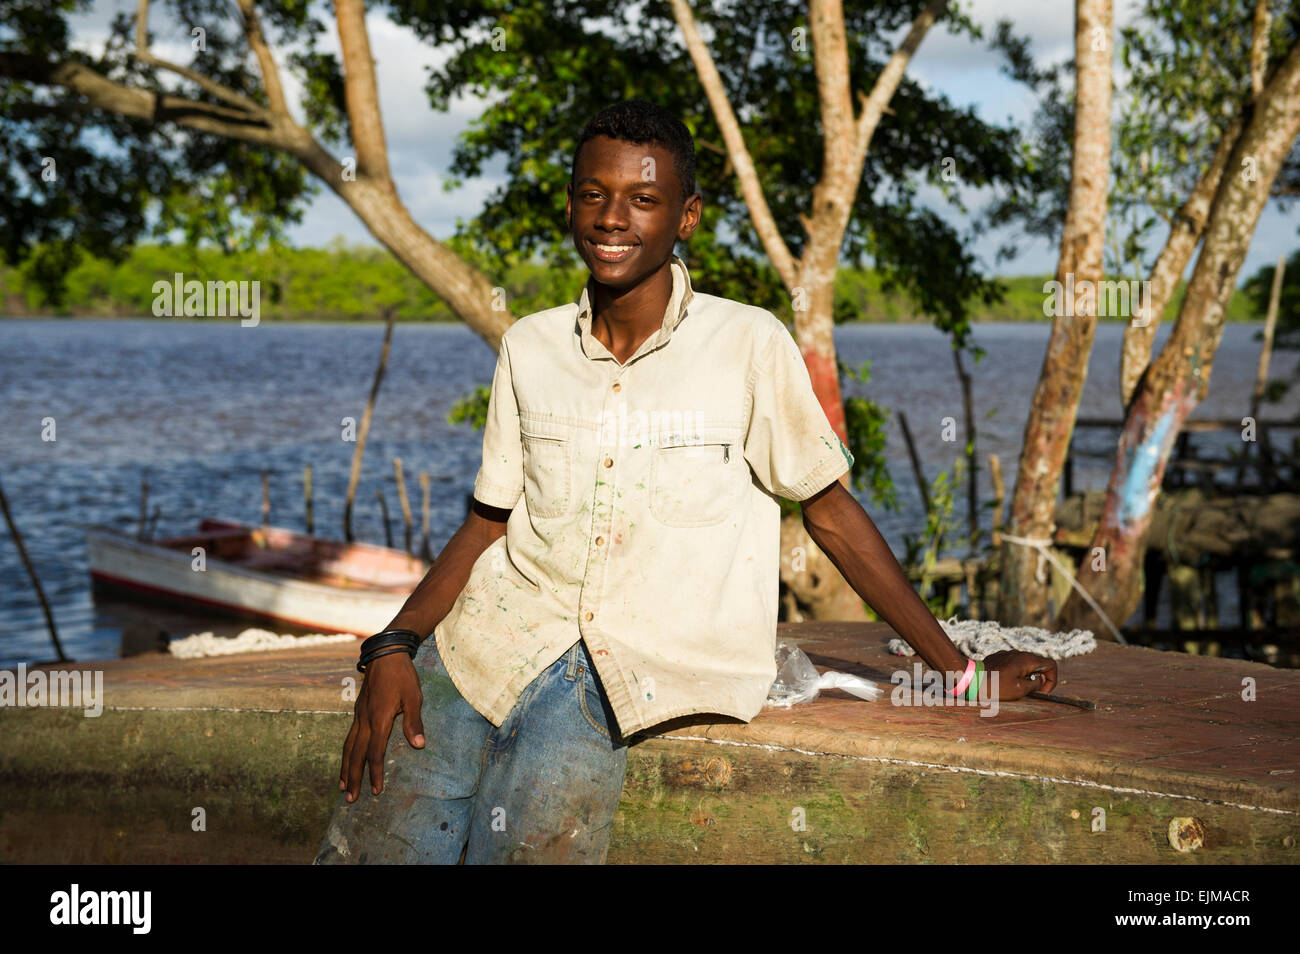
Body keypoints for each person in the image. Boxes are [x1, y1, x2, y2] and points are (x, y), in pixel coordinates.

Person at [314, 99, 1058, 865]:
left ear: (687, 217)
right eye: (594, 195)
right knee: (375, 836)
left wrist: (962, 681)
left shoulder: (747, 344)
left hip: (628, 669)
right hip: (488, 642)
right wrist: (393, 645)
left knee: (530, 844)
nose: (612, 218)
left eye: (643, 199)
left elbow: (830, 513)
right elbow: (488, 523)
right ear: (570, 204)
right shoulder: (529, 347)